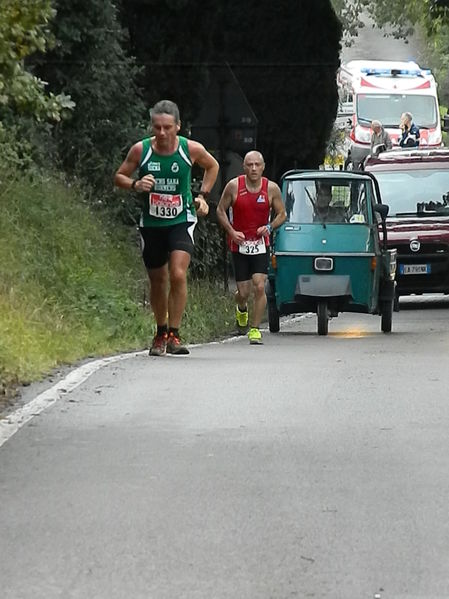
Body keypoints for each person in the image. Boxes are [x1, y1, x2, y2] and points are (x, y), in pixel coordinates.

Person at [114, 100, 219, 356]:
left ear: (178, 127)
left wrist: (202, 196)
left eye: (167, 128)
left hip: (181, 220)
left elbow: (212, 166)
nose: (161, 133)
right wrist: (135, 185)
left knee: (178, 273)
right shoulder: (141, 150)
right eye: (157, 127)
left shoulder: (190, 149)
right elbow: (119, 176)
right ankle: (160, 332)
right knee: (158, 279)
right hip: (151, 223)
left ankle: (174, 333)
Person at [216, 151, 286, 345]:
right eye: (249, 165)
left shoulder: (271, 188)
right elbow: (220, 210)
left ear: (263, 167)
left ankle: (254, 329)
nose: (253, 168)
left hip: (260, 244)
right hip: (239, 245)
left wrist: (270, 227)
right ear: (244, 167)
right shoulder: (233, 186)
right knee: (243, 293)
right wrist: (231, 232)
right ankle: (241, 308)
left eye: (257, 165)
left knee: (260, 285)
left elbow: (282, 214)